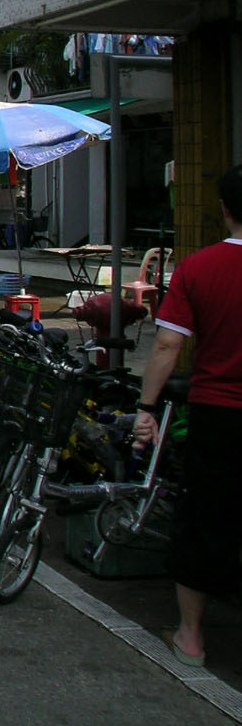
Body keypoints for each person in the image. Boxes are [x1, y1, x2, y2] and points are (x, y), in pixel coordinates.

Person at [133, 166, 242, 669]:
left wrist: (147, 409)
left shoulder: (200, 269)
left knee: (203, 520)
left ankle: (192, 637)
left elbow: (169, 345)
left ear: (225, 209)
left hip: (218, 416)